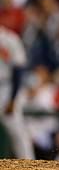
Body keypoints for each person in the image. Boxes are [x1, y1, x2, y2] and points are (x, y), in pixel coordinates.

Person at [0, 25, 35, 159]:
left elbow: (18, 70)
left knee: (17, 130)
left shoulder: (9, 39)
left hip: (6, 87)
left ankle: (28, 164)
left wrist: (13, 98)